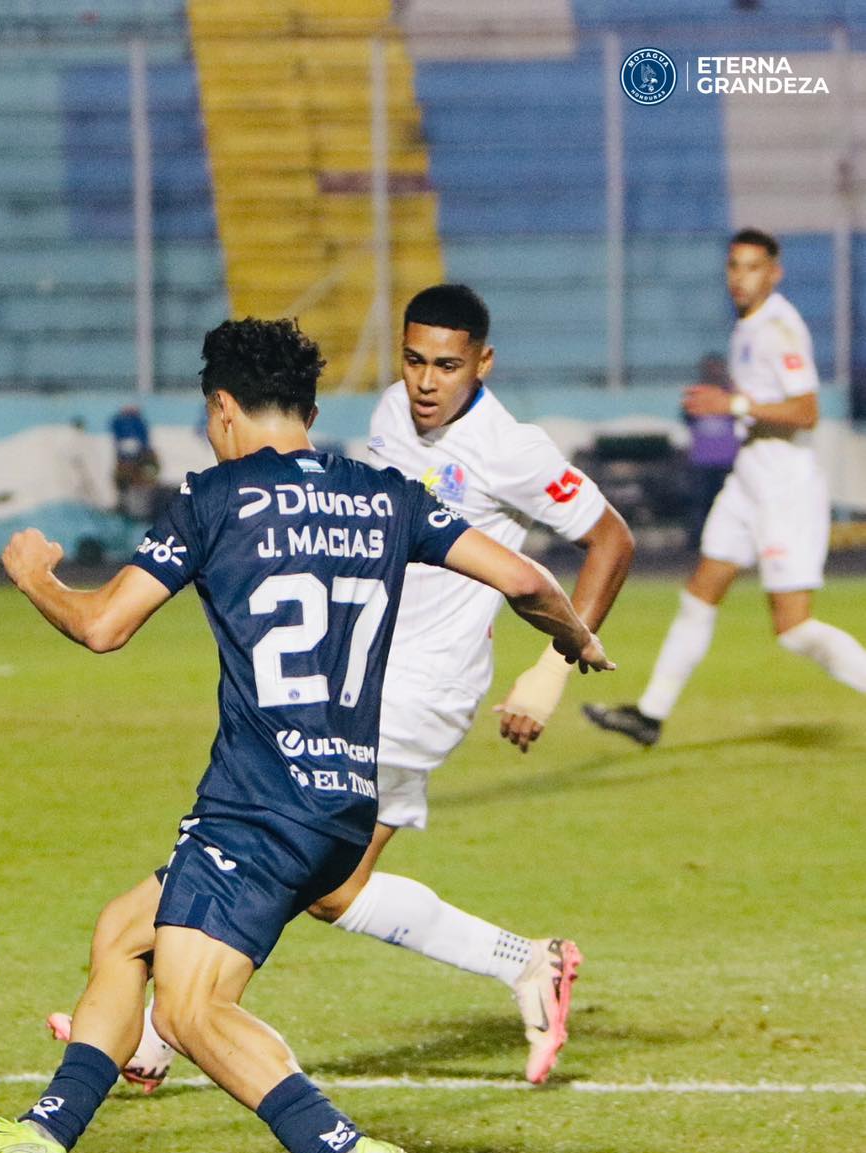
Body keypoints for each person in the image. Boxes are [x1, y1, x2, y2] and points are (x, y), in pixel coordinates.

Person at [0, 318, 611, 1153]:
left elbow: (105, 626)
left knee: (196, 1009)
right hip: (342, 805)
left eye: (213, 420)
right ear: (315, 413)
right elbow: (526, 579)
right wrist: (573, 640)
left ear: (223, 410)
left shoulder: (215, 499)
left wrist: (37, 576)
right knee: (127, 929)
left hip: (259, 801)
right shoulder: (385, 495)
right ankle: (40, 1140)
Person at [50, 284, 634, 1091]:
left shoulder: (514, 449)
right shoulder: (395, 412)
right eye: (415, 359)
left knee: (292, 841)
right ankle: (528, 961)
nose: (428, 381)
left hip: (426, 682)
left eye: (449, 366)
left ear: (484, 363)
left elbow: (611, 537)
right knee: (330, 883)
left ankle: (164, 1025)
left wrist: (550, 671)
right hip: (359, 663)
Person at [584, 228, 866, 747]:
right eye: (734, 266)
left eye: (753, 266)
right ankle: (649, 715)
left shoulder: (780, 329)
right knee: (699, 594)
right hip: (750, 478)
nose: (741, 277)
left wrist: (731, 405)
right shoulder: (747, 327)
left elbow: (806, 411)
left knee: (794, 629)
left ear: (774, 273)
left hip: (785, 485)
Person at [683, 354, 740, 550]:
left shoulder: (733, 395)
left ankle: (730, 545)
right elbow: (688, 417)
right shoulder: (697, 393)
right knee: (701, 507)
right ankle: (698, 546)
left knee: (730, 506)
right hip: (702, 461)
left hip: (728, 460)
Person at [110, 404, 160, 520]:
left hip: (143, 506)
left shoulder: (147, 460)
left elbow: (152, 474)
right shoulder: (122, 469)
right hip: (131, 506)